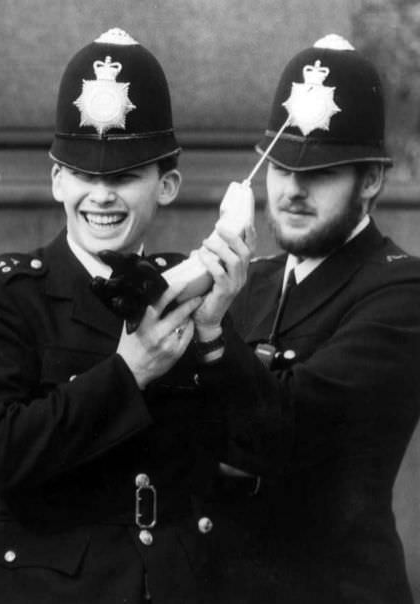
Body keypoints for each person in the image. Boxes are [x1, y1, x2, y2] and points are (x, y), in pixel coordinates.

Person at [0, 28, 252, 604]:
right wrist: (128, 371)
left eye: (125, 177)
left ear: (167, 185)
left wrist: (211, 335)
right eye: (85, 174)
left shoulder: (190, 288)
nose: (102, 196)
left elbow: (256, 450)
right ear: (58, 179)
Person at [193, 34, 420, 604]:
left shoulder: (401, 289)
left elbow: (291, 426)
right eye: (280, 166)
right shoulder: (254, 281)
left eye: (320, 172)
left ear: (370, 181)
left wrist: (211, 334)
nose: (292, 189)